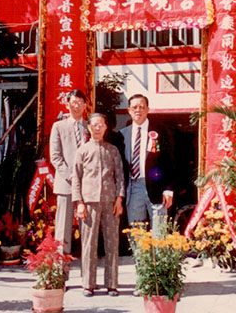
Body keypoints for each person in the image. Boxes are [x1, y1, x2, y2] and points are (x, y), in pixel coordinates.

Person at [71, 113, 125, 297]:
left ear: (105, 127)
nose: (97, 127)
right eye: (94, 124)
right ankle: (88, 284)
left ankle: (112, 284)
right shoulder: (82, 151)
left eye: (101, 124)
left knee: (112, 243)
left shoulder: (113, 150)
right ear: (88, 127)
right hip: (89, 202)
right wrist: (79, 202)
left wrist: (119, 199)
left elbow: (120, 176)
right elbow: (76, 179)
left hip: (110, 202)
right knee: (88, 244)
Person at [120, 94, 174, 235]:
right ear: (129, 110)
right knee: (136, 231)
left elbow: (169, 162)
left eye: (142, 107)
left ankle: (159, 257)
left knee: (159, 230)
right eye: (134, 107)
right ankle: (139, 258)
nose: (138, 110)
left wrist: (168, 189)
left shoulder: (160, 131)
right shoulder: (122, 134)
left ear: (148, 109)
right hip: (133, 188)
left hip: (156, 187)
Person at [49, 89, 89, 256]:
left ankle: (88, 276)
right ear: (67, 105)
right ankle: (60, 275)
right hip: (66, 184)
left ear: (85, 105)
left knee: (88, 229)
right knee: (63, 230)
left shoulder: (90, 127)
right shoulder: (58, 127)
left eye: (80, 102)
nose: (77, 105)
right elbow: (55, 156)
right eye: (73, 102)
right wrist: (70, 175)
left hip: (88, 185)